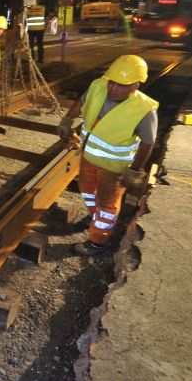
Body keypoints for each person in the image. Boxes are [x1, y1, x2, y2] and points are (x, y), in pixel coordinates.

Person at [57, 55, 157, 256]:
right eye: (112, 82)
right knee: (86, 189)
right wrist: (67, 119)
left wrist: (135, 170)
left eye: (121, 85)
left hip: (113, 168)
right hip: (88, 158)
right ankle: (96, 217)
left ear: (135, 87)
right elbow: (81, 101)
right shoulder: (98, 86)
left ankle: (97, 241)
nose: (113, 88)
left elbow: (148, 142)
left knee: (107, 204)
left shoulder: (144, 111)